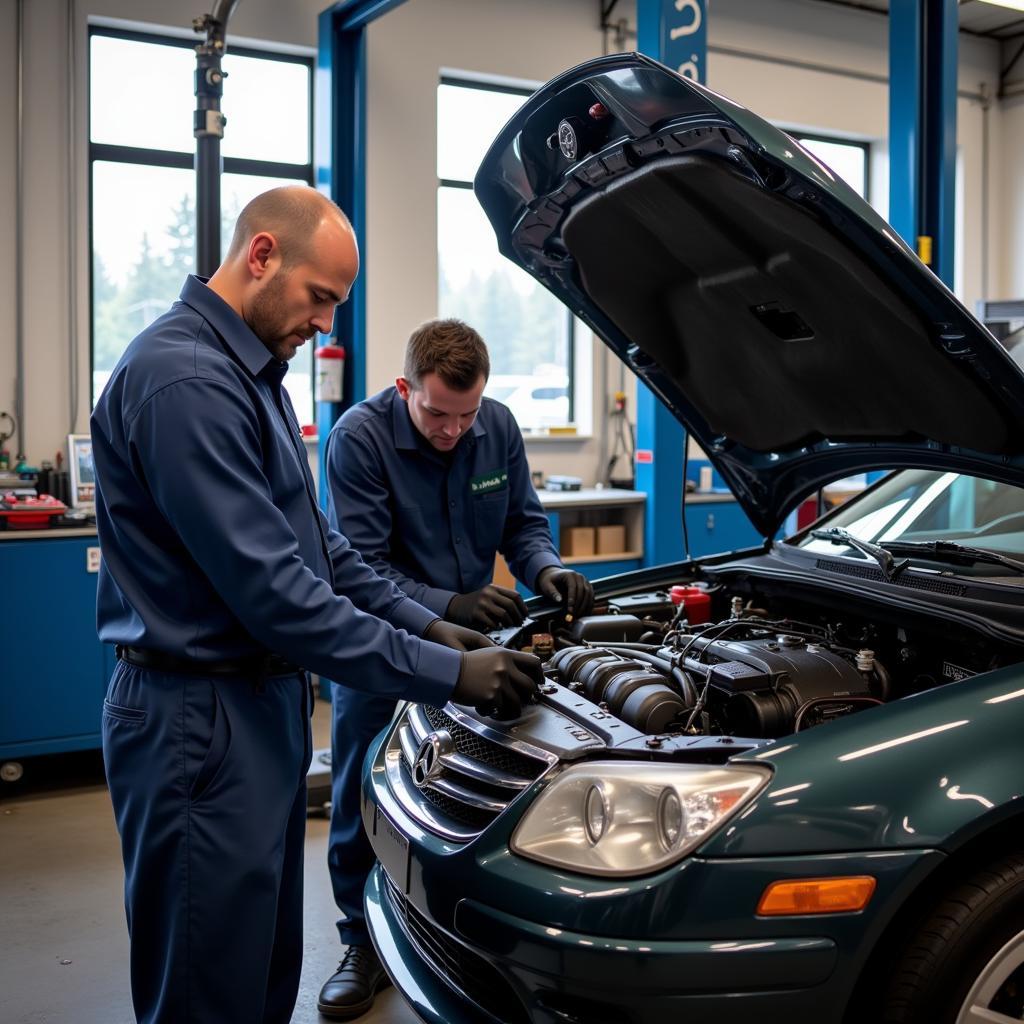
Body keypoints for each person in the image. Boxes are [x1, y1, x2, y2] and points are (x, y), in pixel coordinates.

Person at [90, 187, 542, 1024]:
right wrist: (451, 672)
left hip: (255, 709)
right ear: (262, 256)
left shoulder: (250, 374)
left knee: (258, 967)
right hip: (197, 717)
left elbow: (320, 548)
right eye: (321, 299)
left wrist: (426, 621)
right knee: (207, 987)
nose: (326, 325)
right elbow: (281, 597)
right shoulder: (185, 382)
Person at [317, 318, 594, 1018]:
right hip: (382, 649)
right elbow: (360, 571)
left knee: (467, 790)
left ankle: (446, 931)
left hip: (477, 650)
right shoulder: (359, 439)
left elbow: (523, 523)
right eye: (438, 414)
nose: (452, 430)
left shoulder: (493, 427)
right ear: (405, 386)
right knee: (366, 790)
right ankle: (360, 941)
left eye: (465, 415)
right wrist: (447, 604)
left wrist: (547, 568)